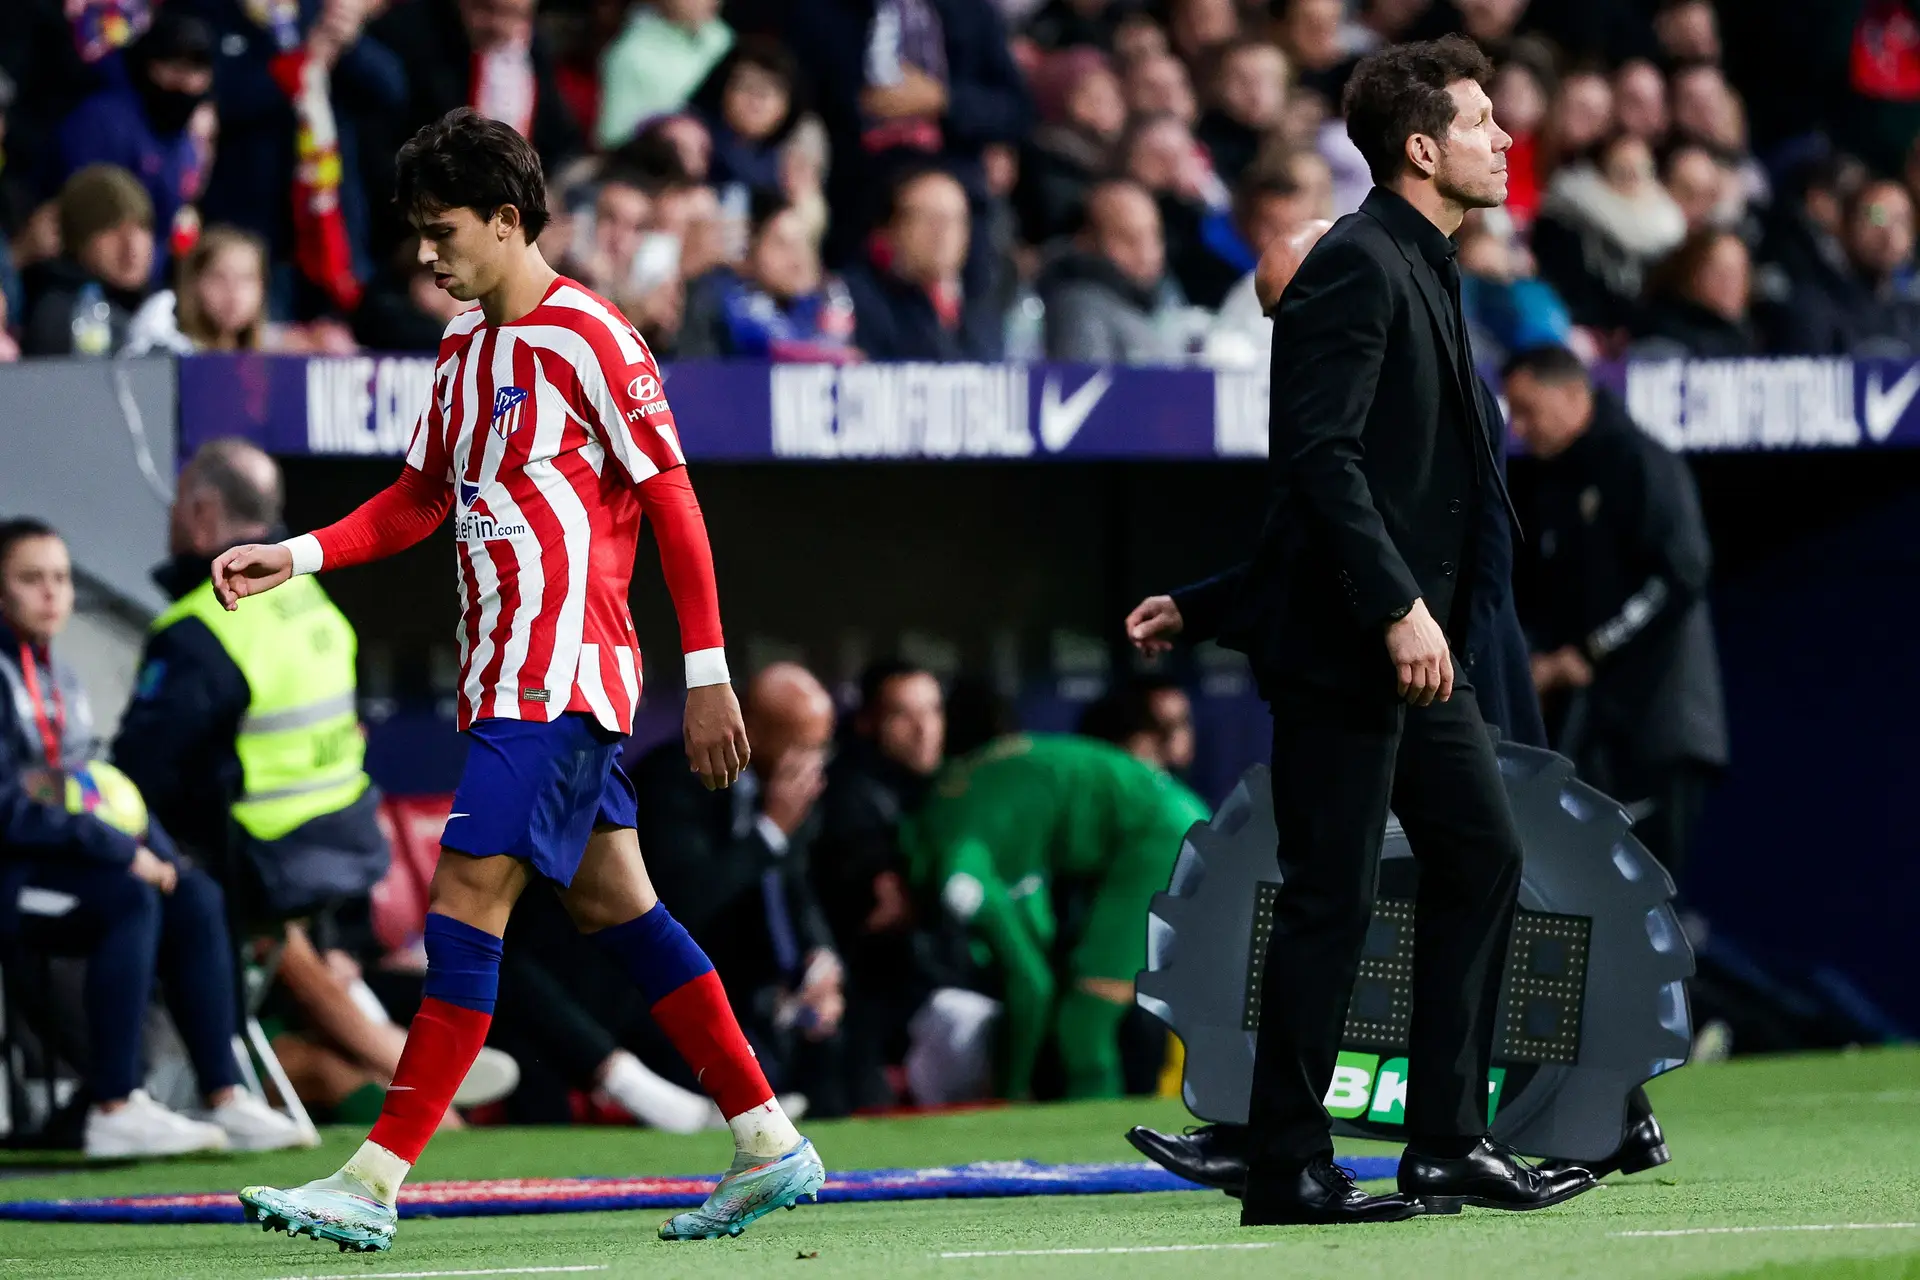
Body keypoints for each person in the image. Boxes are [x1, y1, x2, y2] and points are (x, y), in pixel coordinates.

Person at [208, 107, 818, 1252]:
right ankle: (765, 1135)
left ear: (506, 219)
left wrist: (708, 671)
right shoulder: (463, 349)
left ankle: (375, 1177)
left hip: (561, 677)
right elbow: (418, 499)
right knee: (618, 906)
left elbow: (673, 498)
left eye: (442, 232)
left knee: (466, 902)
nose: (425, 256)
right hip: (502, 680)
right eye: (415, 236)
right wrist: (293, 553)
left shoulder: (593, 335)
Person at [1121, 37, 1594, 1226]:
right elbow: (1318, 462)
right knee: (1331, 897)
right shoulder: (1357, 264)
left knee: (1478, 857)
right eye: (1483, 122)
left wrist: (1210, 600)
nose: (1503, 140)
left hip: (1410, 648)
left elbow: (1351, 483)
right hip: (1360, 646)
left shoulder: (1425, 261)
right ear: (1422, 148)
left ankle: (1446, 1142)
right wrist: (1395, 606)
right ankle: (1285, 1161)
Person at [0, 519, 303, 1158]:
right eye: (31, 579)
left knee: (192, 894)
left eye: (60, 578)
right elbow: (10, 800)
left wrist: (159, 851)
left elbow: (83, 786)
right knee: (128, 898)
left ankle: (223, 1094)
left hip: (64, 864)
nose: (52, 594)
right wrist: (117, 851)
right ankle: (114, 1104)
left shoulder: (65, 682)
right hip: (15, 878)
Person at [1503, 344, 1727, 886]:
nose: (1520, 427)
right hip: (1596, 728)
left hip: (1658, 725)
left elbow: (1682, 574)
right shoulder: (1553, 481)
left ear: (1574, 394)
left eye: (1528, 409)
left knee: (1645, 904)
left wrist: (1587, 652)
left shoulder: (1638, 460)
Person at [901, 733, 1209, 1102]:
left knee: (1083, 1025)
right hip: (1172, 821)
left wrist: (1008, 1092)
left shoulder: (957, 866)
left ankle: (1097, 1152)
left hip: (1160, 842)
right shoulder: (953, 808)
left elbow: (1031, 985)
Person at [630, 663, 849, 1116]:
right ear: (751, 728)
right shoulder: (674, 780)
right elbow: (681, 904)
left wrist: (820, 958)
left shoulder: (791, 789)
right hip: (676, 997)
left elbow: (797, 889)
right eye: (802, 745)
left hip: (769, 997)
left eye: (821, 746)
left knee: (844, 1062)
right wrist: (769, 831)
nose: (814, 762)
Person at [811, 659, 953, 1109]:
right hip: (860, 1004)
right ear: (870, 722)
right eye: (903, 715)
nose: (923, 728)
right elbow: (883, 912)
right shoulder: (848, 794)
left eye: (932, 711)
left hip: (909, 998)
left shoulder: (940, 789)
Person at [844, 165, 995, 361]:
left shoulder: (983, 300)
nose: (942, 233)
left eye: (954, 220)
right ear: (896, 228)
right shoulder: (859, 299)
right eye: (930, 220)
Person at [1040, 178, 1190, 363]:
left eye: (1153, 236)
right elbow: (1086, 386)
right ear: (1087, 241)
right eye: (1128, 240)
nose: (1146, 254)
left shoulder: (1164, 296)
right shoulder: (1079, 307)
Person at [20, 165, 154, 357]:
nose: (132, 246)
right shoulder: (58, 315)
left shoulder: (162, 313)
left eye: (142, 227)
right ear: (79, 240)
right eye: (113, 229)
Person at [123, 225, 270, 355]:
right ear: (194, 283)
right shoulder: (171, 349)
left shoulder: (268, 361)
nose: (234, 292)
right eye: (218, 278)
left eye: (246, 278)